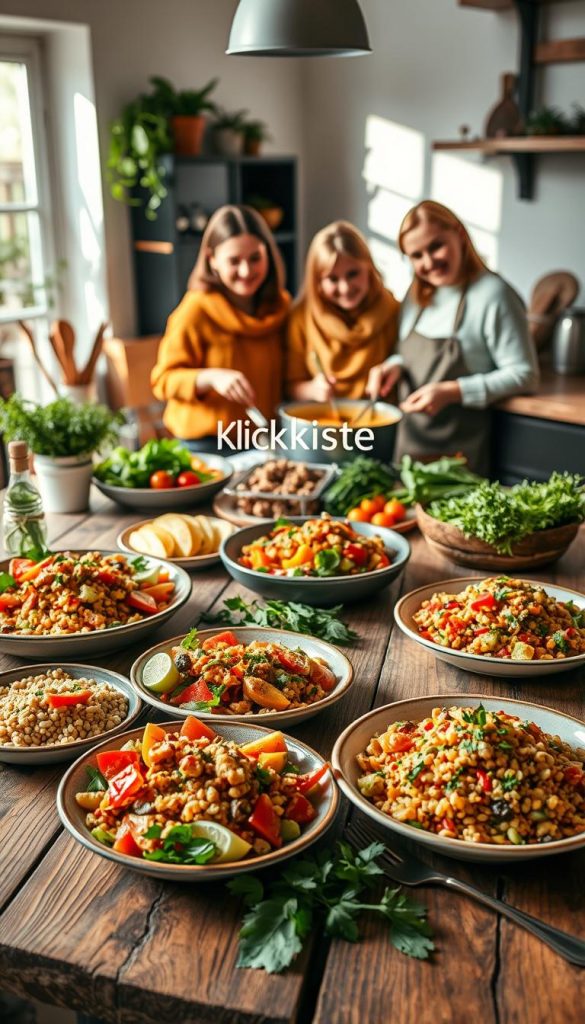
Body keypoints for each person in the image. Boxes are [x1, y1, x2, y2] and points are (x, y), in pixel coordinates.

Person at [389, 200, 539, 473]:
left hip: (459, 462)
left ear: (459, 235)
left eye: (436, 246)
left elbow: (524, 374)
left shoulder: (494, 295)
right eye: (416, 255)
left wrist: (452, 392)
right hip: (408, 452)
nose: (429, 262)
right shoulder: (417, 295)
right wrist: (392, 366)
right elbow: (406, 353)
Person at [151, 204, 290, 451]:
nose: (246, 271)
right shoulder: (195, 310)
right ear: (212, 260)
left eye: (255, 258)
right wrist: (211, 377)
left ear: (268, 253)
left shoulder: (280, 307)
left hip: (263, 440)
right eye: (234, 261)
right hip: (206, 444)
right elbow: (162, 381)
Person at [285, 221, 400, 403]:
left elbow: (406, 363)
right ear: (318, 282)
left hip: (380, 421)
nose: (345, 288)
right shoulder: (301, 317)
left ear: (369, 268)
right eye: (332, 278)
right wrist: (313, 390)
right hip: (322, 424)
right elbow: (291, 386)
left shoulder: (393, 310)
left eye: (353, 273)